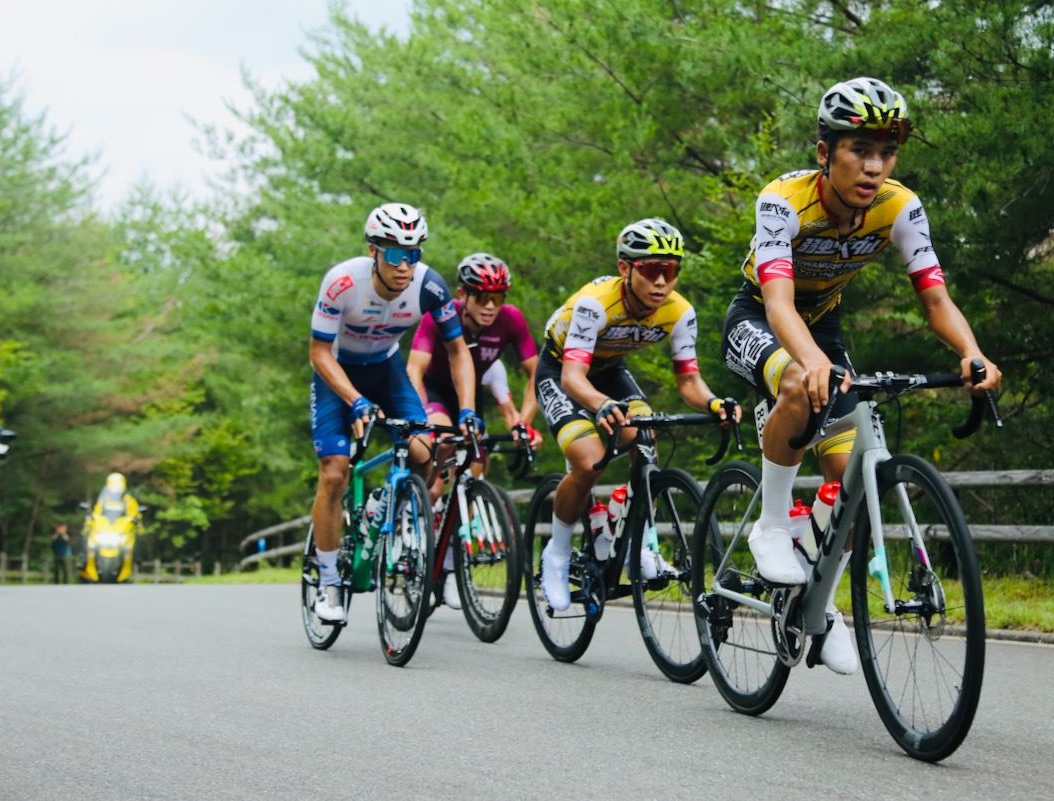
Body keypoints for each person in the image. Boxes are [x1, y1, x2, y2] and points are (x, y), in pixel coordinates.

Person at [719, 77, 1002, 675]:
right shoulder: (783, 199)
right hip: (761, 318)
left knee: (852, 483)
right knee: (799, 382)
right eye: (859, 151)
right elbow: (776, 303)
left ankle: (818, 606)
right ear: (825, 153)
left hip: (824, 327)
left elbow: (935, 299)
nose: (874, 167)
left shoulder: (900, 205)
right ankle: (771, 527)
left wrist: (972, 353)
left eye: (887, 153)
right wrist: (812, 364)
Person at [536, 218, 739, 611]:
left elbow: (689, 383)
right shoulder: (595, 304)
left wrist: (715, 403)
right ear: (625, 269)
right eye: (651, 270)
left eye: (671, 270)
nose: (662, 281)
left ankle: (642, 543)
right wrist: (601, 406)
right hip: (563, 372)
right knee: (588, 462)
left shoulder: (679, 312)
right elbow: (574, 378)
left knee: (645, 437)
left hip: (610, 372)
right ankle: (556, 555)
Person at [308, 202, 480, 623]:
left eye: (414, 253)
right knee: (335, 472)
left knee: (426, 450)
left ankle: (397, 507)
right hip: (339, 374)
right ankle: (329, 583)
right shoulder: (342, 283)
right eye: (396, 254)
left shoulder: (429, 286)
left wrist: (469, 409)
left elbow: (457, 350)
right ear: (374, 251)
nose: (406, 265)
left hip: (386, 369)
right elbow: (318, 352)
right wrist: (355, 400)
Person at [406, 252, 542, 609]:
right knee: (439, 452)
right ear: (463, 294)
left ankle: (451, 569)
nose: (490, 306)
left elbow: (536, 375)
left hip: (471, 396)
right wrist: (420, 418)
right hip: (434, 393)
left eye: (498, 298)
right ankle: (417, 515)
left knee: (472, 476)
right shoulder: (440, 315)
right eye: (482, 297)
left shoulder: (511, 320)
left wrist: (523, 422)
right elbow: (415, 370)